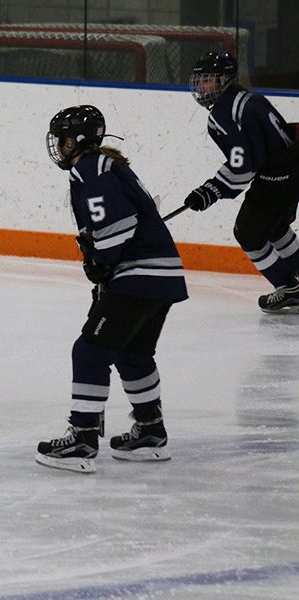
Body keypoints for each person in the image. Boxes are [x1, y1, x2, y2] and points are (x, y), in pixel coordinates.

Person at [36, 105, 188, 474]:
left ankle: (83, 438)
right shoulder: (107, 165)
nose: (60, 145)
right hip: (163, 276)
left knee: (90, 350)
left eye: (65, 138)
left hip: (138, 276)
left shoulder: (90, 169)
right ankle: (150, 432)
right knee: (133, 354)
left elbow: (117, 229)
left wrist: (100, 261)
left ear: (81, 140)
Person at [184, 51, 299, 313]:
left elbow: (244, 164)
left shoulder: (223, 112)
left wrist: (212, 190)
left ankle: (289, 288)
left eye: (208, 80)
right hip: (293, 167)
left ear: (224, 80)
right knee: (274, 226)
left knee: (247, 232)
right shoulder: (249, 98)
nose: (201, 87)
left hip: (277, 173)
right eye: (199, 81)